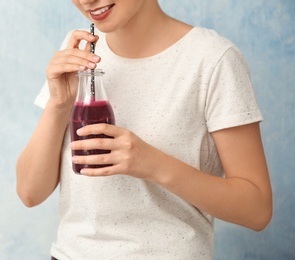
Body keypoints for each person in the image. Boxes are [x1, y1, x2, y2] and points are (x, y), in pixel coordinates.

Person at [16, 0, 273, 259]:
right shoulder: (79, 50)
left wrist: (152, 164)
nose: (86, 0)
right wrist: (59, 104)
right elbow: (30, 192)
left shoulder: (213, 59)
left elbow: (257, 209)